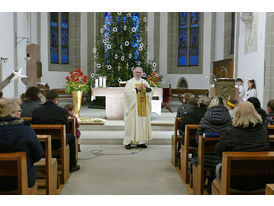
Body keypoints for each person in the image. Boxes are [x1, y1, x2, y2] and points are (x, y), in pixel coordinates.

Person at [215, 101, 270, 191]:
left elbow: (218, 151)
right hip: (261, 179)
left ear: (236, 113)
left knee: (218, 167)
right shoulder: (263, 132)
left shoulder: (230, 132)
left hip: (234, 181)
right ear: (254, 113)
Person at [0, 98, 44, 191]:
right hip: (23, 178)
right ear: (12, 113)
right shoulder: (25, 129)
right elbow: (38, 154)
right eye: (19, 111)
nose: (21, 113)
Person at [32, 90, 80, 172]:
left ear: (46, 99)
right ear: (55, 100)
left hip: (41, 142)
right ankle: (72, 166)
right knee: (71, 137)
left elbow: (33, 125)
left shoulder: (36, 111)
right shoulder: (61, 111)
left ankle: (44, 160)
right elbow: (66, 127)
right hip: (57, 142)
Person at [123, 67, 152, 150]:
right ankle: (128, 142)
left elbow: (150, 92)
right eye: (136, 72)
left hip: (143, 108)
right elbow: (127, 94)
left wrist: (147, 89)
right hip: (133, 108)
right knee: (131, 124)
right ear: (133, 73)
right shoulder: (130, 82)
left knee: (141, 124)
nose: (138, 74)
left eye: (140, 72)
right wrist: (136, 89)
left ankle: (141, 142)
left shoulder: (145, 82)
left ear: (142, 73)